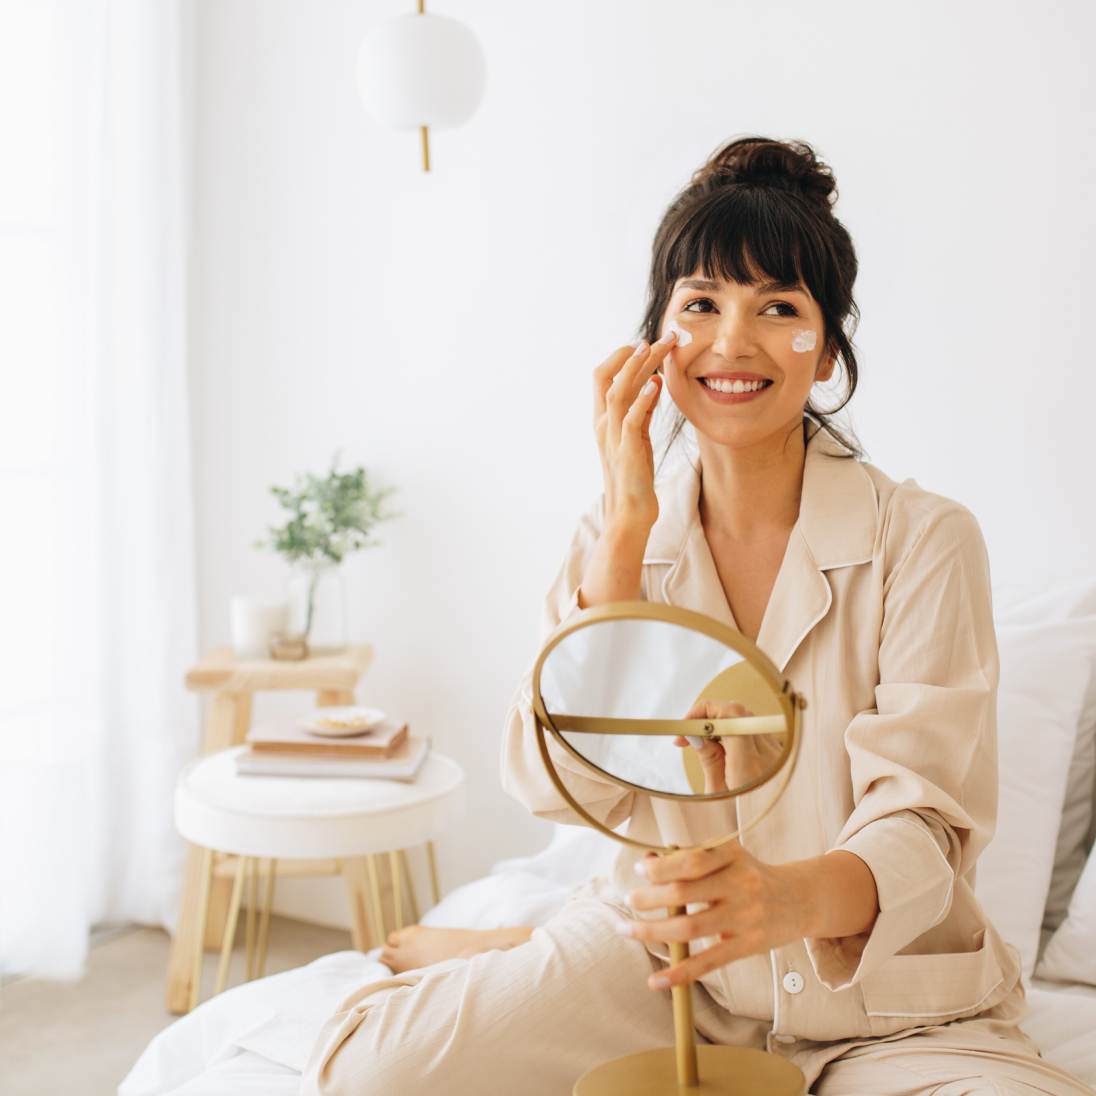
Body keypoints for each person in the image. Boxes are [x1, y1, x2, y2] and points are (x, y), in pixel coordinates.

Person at [301, 136, 1094, 1095]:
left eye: (779, 309)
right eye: (701, 305)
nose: (731, 342)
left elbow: (924, 821)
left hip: (883, 1005)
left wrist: (782, 901)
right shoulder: (617, 534)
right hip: (661, 967)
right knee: (372, 1074)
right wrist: (628, 528)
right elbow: (553, 780)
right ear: (657, 344)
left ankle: (518, 944)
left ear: (828, 352)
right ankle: (529, 945)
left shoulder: (924, 540)